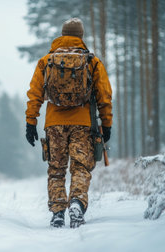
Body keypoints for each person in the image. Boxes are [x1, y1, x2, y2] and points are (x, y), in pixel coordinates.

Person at [25, 18, 113, 228]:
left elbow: (34, 94)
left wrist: (30, 122)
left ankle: (57, 211)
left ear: (62, 35)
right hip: (83, 124)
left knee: (56, 169)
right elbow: (104, 95)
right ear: (80, 36)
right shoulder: (92, 61)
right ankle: (76, 203)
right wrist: (106, 123)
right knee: (81, 167)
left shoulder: (46, 61)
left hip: (54, 124)